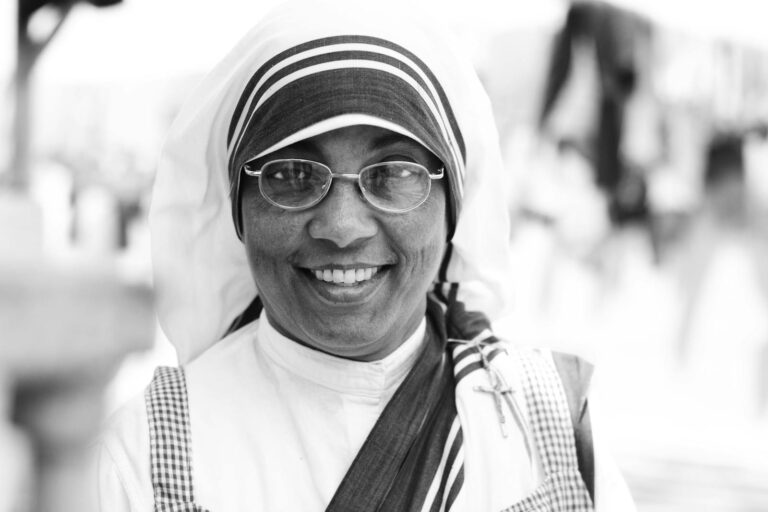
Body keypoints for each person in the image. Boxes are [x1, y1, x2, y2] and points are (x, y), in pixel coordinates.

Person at [97, 2, 635, 510]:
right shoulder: (150, 450)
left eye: (396, 173)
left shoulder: (543, 430)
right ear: (240, 210)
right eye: (292, 174)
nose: (342, 227)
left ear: (454, 210)